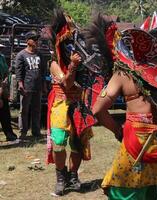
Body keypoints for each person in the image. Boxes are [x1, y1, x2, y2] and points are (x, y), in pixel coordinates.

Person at [93, 20, 157, 199]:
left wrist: (118, 130)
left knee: (123, 192)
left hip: (137, 141)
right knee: (151, 191)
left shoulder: (124, 74)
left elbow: (97, 109)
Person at [46, 10, 94, 196]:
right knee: (59, 143)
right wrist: (73, 66)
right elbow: (66, 83)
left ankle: (73, 177)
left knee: (77, 144)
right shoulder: (53, 63)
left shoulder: (82, 60)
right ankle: (61, 179)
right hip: (60, 105)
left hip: (79, 105)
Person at [14, 31, 46, 139]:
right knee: (24, 110)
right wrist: (20, 84)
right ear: (28, 41)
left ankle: (36, 131)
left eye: (37, 39)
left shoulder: (40, 54)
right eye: (34, 39)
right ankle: (23, 132)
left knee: (37, 110)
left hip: (38, 87)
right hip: (26, 87)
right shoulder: (21, 55)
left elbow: (43, 71)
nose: (37, 41)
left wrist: (44, 85)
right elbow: (18, 71)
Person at [0, 52, 18, 141]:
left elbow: (6, 72)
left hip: (3, 86)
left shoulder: (2, 57)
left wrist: (5, 81)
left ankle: (9, 134)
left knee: (5, 113)